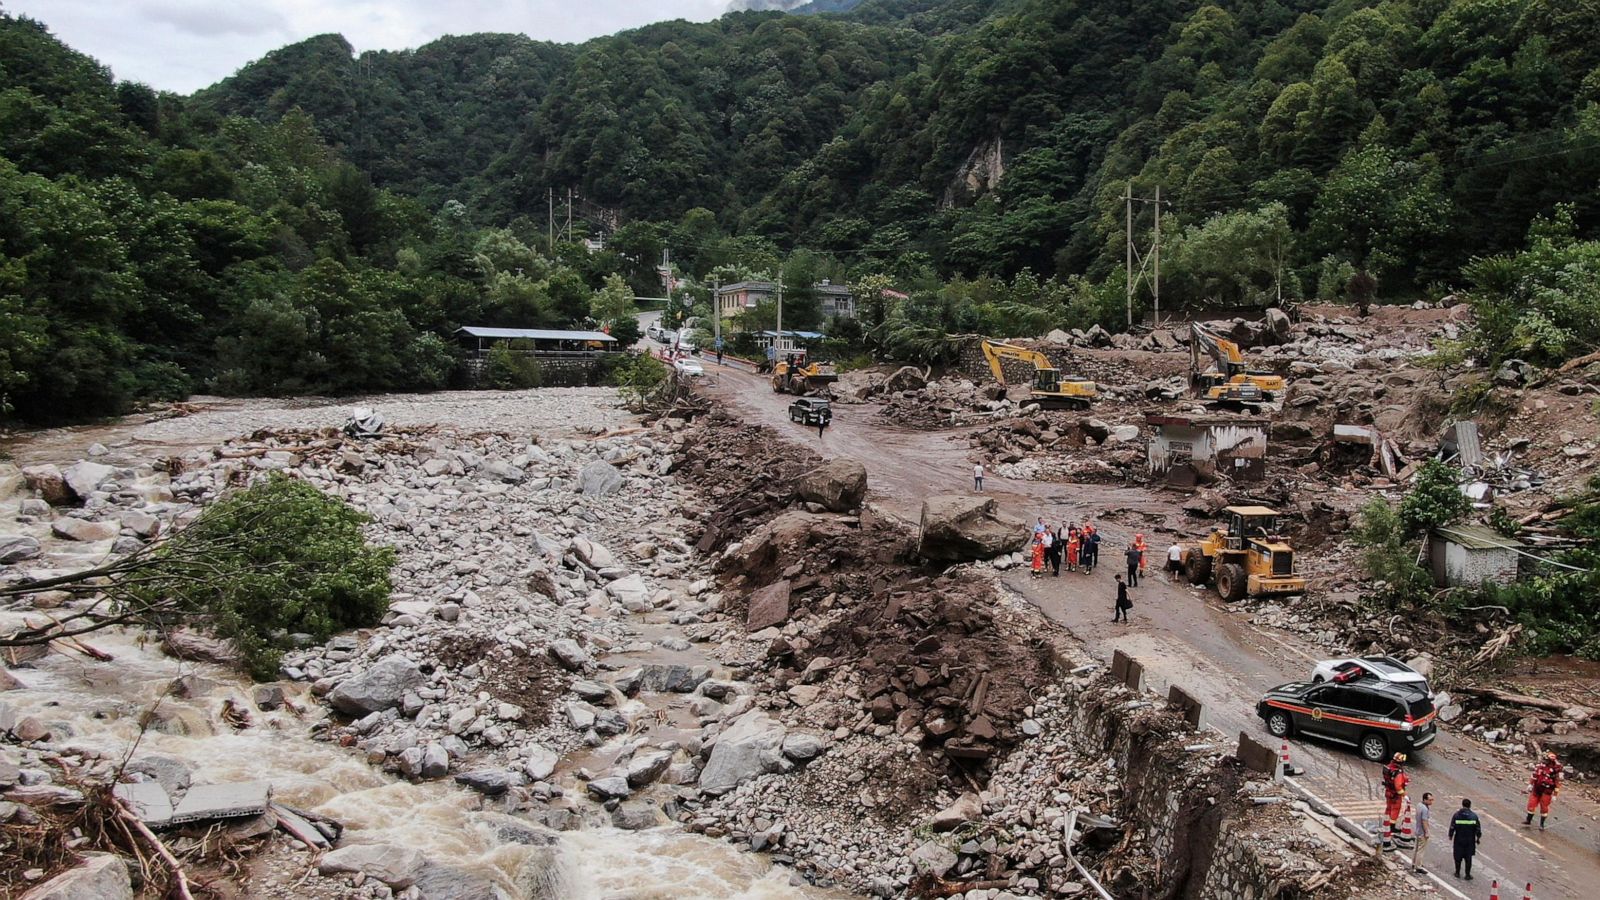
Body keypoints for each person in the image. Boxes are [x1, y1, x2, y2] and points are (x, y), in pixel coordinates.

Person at [1525, 750, 1563, 830]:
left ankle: (1541, 824)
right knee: (1531, 805)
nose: (1544, 761)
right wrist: (1530, 784)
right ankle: (1528, 820)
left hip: (1547, 791)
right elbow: (1534, 775)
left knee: (1544, 807)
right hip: (1536, 788)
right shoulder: (1540, 766)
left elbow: (1557, 784)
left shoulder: (1555, 771)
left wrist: (1555, 795)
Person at [1449, 798, 1482, 880]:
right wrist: (1478, 838)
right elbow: (1478, 829)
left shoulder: (1456, 815)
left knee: (1458, 856)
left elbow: (1452, 826)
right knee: (1468, 858)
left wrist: (1450, 835)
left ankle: (1457, 872)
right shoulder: (1474, 816)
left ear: (1462, 805)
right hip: (1469, 841)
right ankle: (1467, 874)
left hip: (1459, 839)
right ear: (1470, 805)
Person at [1382, 753, 1409, 851]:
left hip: (1388, 792)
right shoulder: (1397, 772)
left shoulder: (1388, 767)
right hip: (1395, 795)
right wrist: (1404, 795)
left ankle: (1386, 824)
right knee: (1395, 810)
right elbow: (1398, 786)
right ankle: (1391, 827)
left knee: (1388, 809)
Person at [1412, 792, 1434, 875]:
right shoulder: (1425, 809)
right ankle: (1418, 866)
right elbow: (1424, 821)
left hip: (1417, 830)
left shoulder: (1419, 805)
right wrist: (1427, 832)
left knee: (1416, 848)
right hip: (1422, 832)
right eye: (1430, 800)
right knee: (1421, 850)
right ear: (1425, 800)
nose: (1431, 802)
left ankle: (1414, 863)